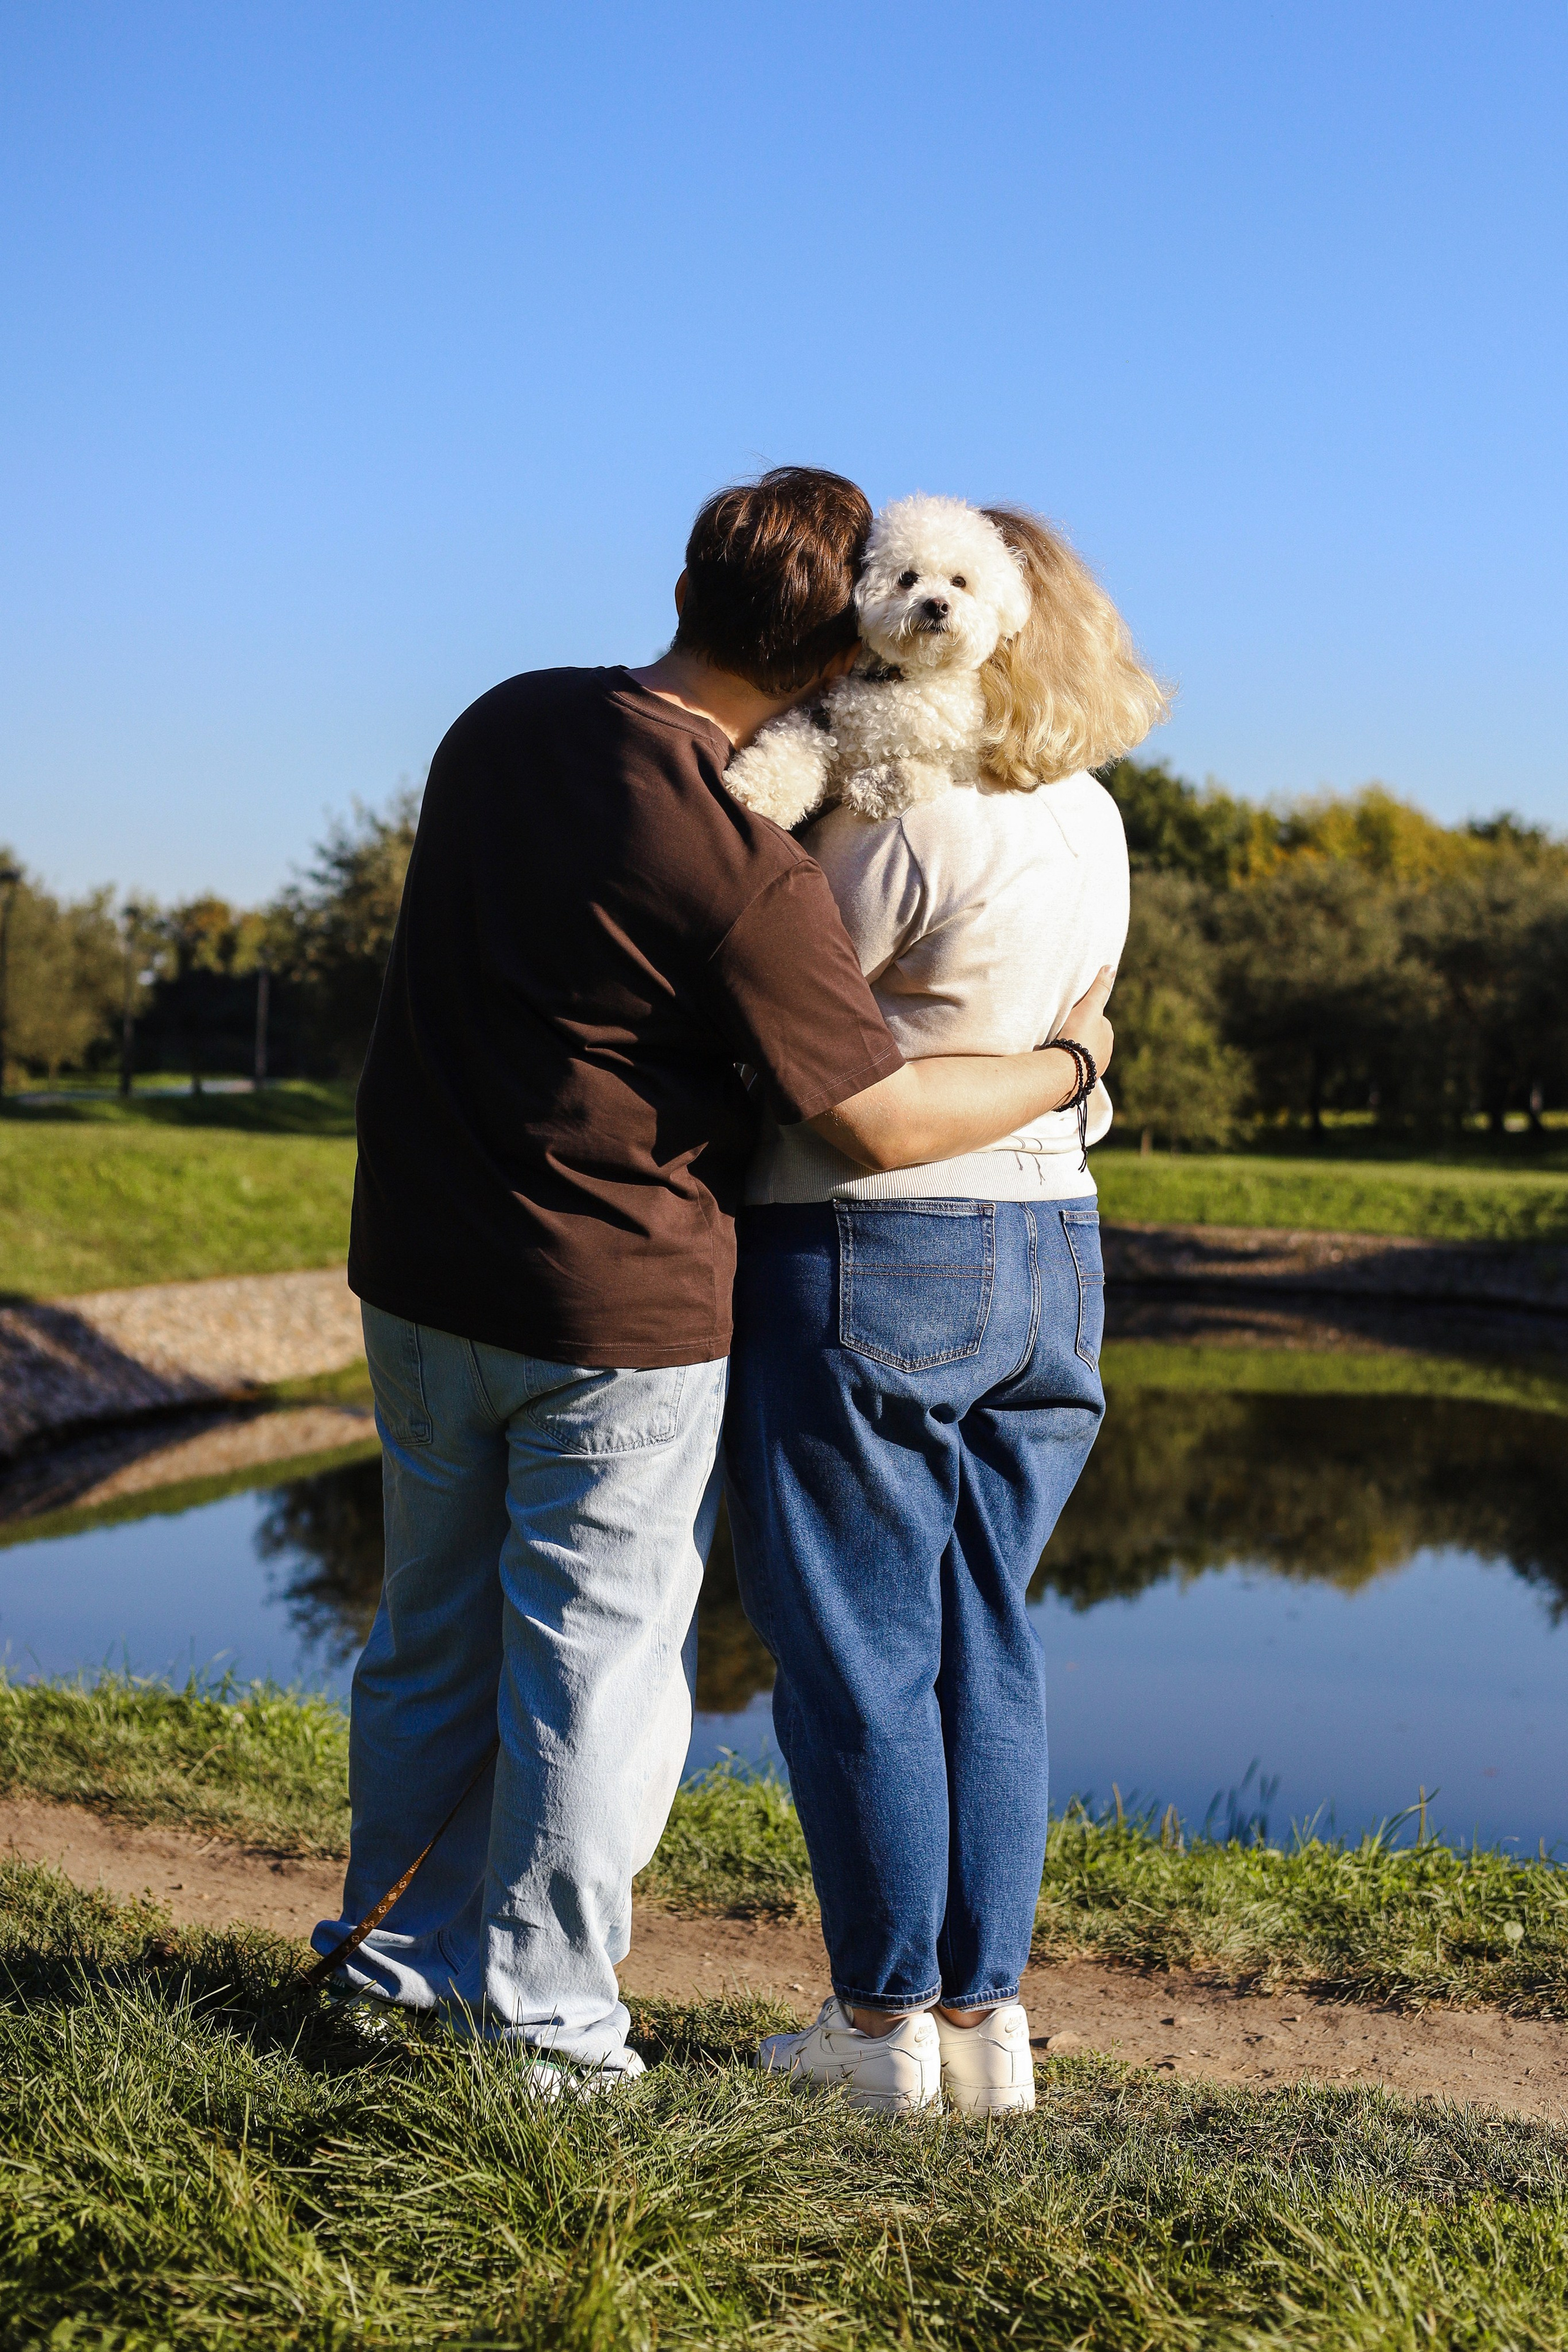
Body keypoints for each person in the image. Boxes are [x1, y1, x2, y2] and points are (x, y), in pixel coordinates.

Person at [311, 469, 1110, 2091]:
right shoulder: (750, 849)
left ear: (686, 585)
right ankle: (551, 2034)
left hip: (421, 1269)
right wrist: (1074, 1062)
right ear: (835, 645)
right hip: (625, 1301)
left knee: (428, 1635)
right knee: (602, 1669)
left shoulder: (503, 721)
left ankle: (394, 1968)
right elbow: (872, 1110)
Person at [724, 501, 1166, 2116]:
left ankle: (879, 2025)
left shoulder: (891, 826)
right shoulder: (1098, 821)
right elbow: (1079, 1024)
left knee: (857, 1648)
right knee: (990, 1639)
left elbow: (800, 1044)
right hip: (1057, 1245)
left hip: (871, 1244)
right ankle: (989, 2026)